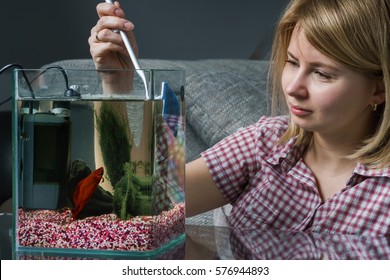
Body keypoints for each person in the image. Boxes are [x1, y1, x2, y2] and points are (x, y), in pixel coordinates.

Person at [89, 0, 390, 236]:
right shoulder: (263, 145)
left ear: (378, 89)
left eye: (322, 74)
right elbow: (130, 203)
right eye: (292, 62)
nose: (294, 88)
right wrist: (117, 83)